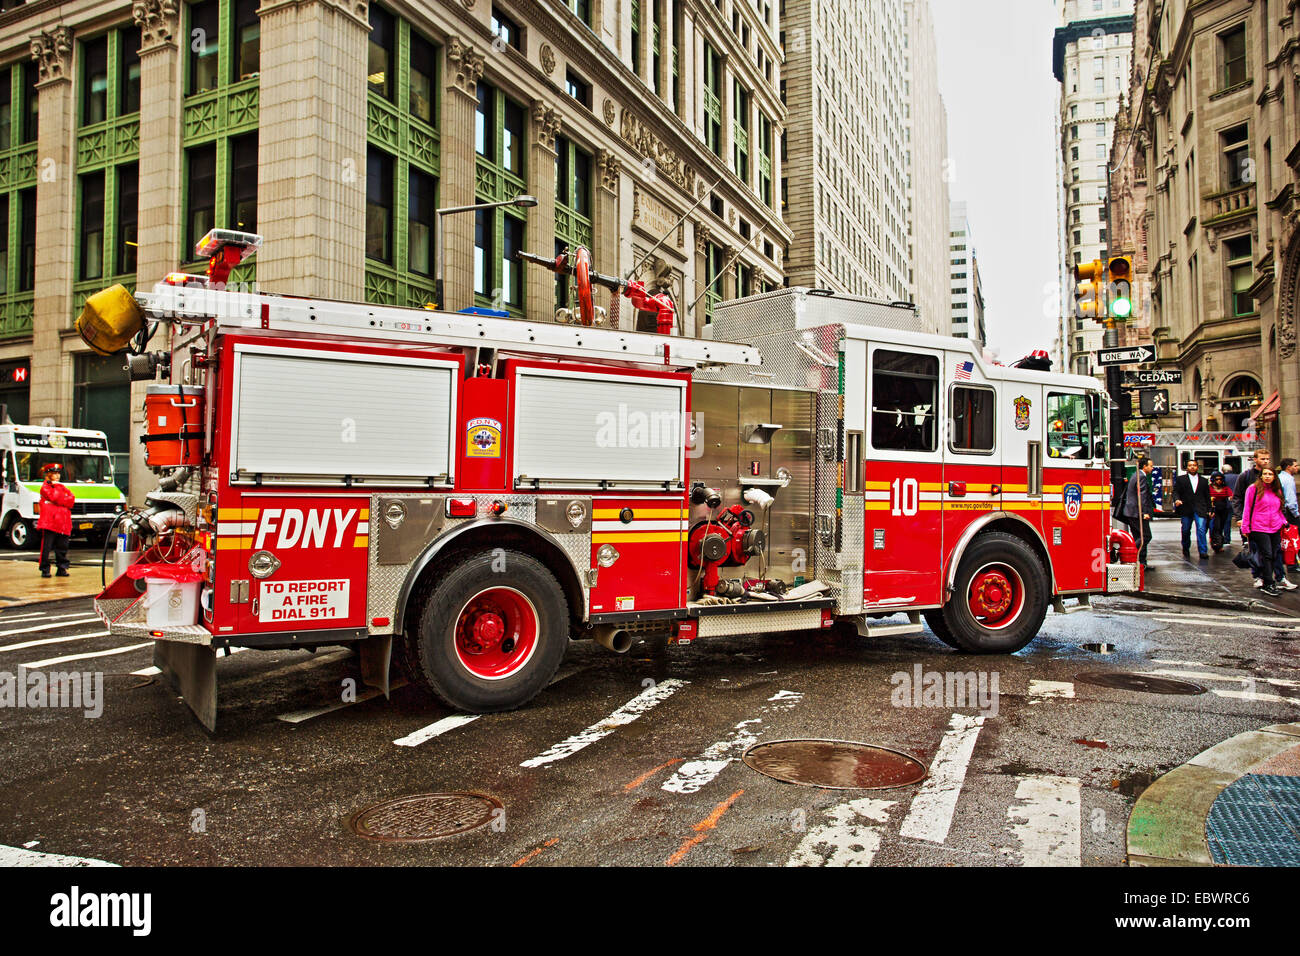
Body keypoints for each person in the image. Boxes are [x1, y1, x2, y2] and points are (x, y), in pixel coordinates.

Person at [1240, 466, 1297, 595]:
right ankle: (1268, 583)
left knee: (1275, 554)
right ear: (1260, 476)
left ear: (1274, 477)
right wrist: (1245, 527)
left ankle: (1270, 581)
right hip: (1258, 527)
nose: (1267, 476)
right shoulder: (1253, 489)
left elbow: (1279, 509)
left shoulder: (1276, 490)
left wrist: (1283, 521)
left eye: (1270, 474)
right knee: (1267, 554)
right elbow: (1247, 509)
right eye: (1265, 474)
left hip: (1275, 526)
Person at [36, 463, 74, 578]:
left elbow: (71, 500)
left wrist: (61, 498)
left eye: (58, 473)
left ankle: (62, 568)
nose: (57, 476)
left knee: (62, 546)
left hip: (62, 522)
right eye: (54, 473)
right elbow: (55, 497)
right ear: (48, 475)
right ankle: (45, 569)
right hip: (50, 522)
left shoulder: (61, 487)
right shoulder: (45, 487)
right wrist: (62, 498)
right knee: (47, 547)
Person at [1173, 459, 1212, 559]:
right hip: (1186, 507)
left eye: (1194, 465)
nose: (1192, 467)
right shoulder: (1181, 479)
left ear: (1197, 467)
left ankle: (1203, 551)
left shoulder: (1203, 480)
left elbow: (1207, 496)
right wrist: (1177, 500)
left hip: (1200, 508)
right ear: (1187, 468)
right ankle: (1185, 547)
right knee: (1186, 529)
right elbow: (1176, 491)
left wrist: (1210, 509)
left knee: (1201, 529)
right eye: (1190, 465)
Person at [1122, 456, 1156, 568]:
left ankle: (1141, 562)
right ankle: (1128, 553)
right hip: (1137, 513)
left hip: (1132, 512)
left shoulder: (1136, 475)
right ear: (1145, 466)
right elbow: (1141, 496)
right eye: (1151, 466)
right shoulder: (1141, 477)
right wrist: (1144, 512)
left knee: (1139, 536)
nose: (1152, 468)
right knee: (1146, 536)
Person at [1209, 471, 1233, 551]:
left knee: (1221, 527)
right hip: (1213, 509)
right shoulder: (1209, 488)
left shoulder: (1225, 488)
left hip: (1223, 509)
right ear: (1213, 480)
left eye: (1220, 479)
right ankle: (1216, 544)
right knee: (1216, 526)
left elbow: (1230, 495)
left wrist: (1231, 498)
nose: (1219, 481)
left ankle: (1219, 543)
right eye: (1216, 479)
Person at [1278, 458, 1300, 526]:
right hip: (1289, 512)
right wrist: (1296, 514)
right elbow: (1290, 499)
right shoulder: (1288, 480)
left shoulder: (1279, 477)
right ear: (1288, 467)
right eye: (1295, 466)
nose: (1297, 468)